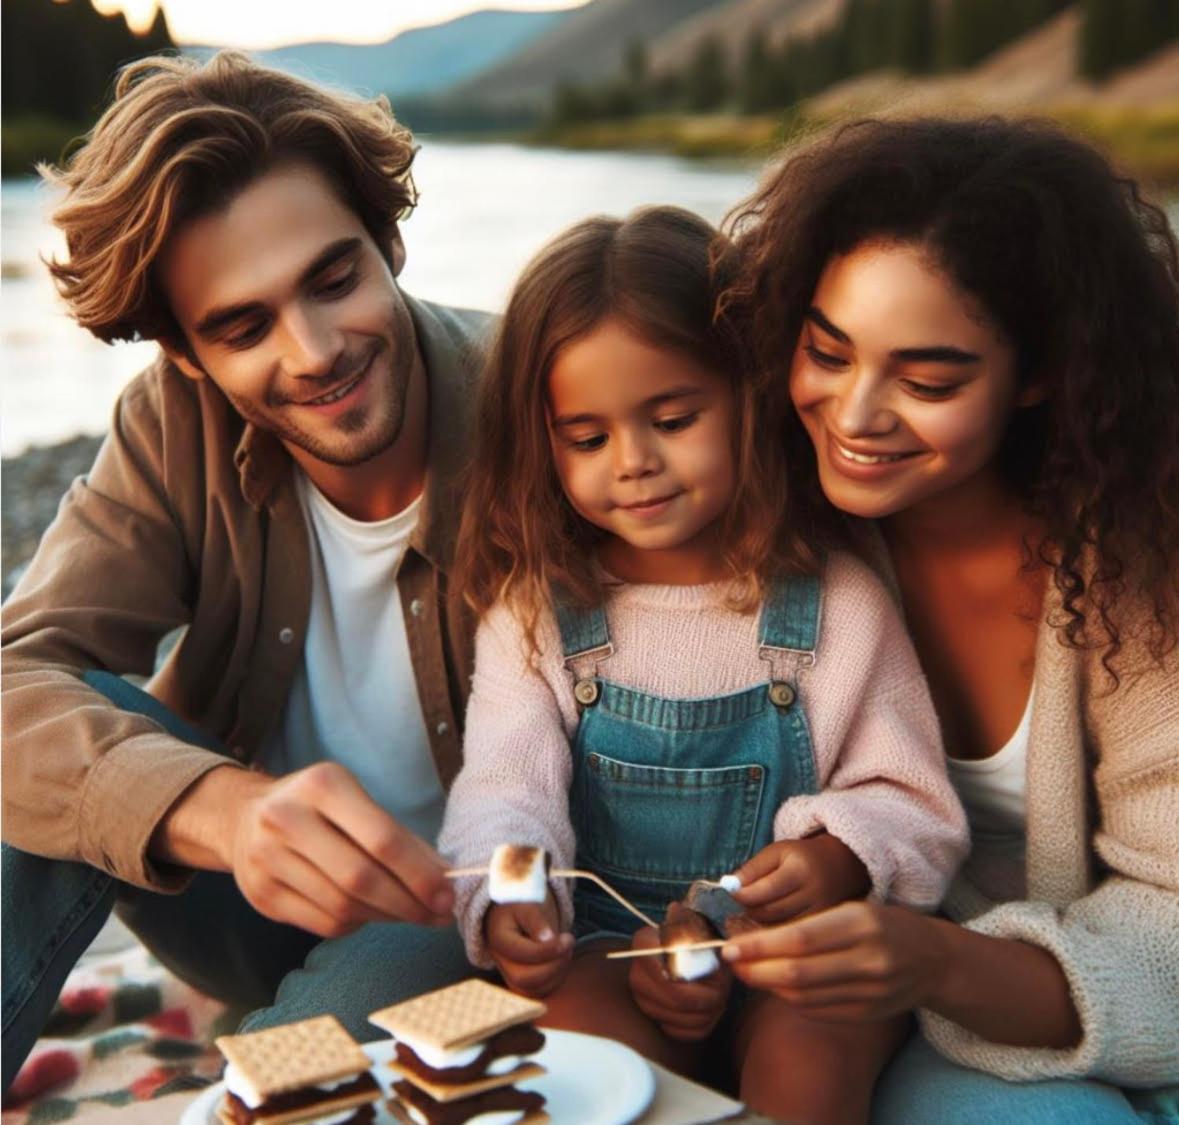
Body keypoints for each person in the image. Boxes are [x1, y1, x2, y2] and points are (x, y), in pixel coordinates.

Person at [1, 50, 493, 1092]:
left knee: (293, 1075)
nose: (314, 351)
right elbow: (17, 682)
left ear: (388, 242)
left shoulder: (543, 397)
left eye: (333, 279)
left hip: (480, 923)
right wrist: (219, 809)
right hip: (245, 904)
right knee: (53, 726)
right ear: (186, 354)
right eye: (243, 326)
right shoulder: (170, 424)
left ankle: (281, 1041)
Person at [437, 205, 969, 1121]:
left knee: (810, 1057)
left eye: (673, 417)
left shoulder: (836, 602)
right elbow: (503, 785)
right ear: (543, 440)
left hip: (791, 959)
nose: (634, 462)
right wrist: (504, 890)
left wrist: (838, 856)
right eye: (588, 437)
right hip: (613, 947)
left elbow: (909, 798)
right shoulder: (535, 614)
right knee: (565, 1051)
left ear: (749, 394)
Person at [718, 116, 1179, 1121]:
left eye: (928, 381)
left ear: (1046, 373)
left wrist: (939, 960)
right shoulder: (768, 534)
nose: (854, 415)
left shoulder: (1141, 563)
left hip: (1058, 999)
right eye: (826, 352)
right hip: (892, 1023)